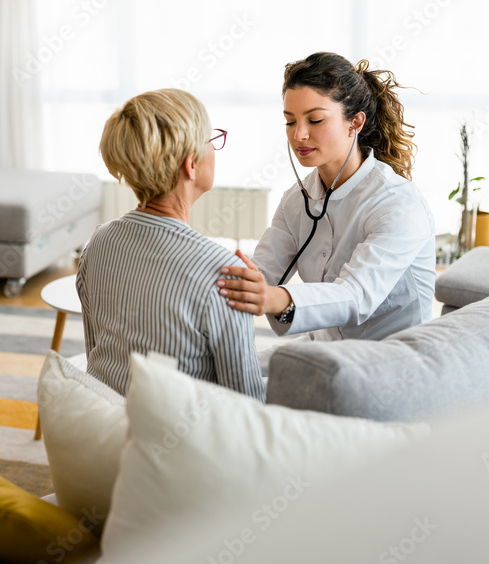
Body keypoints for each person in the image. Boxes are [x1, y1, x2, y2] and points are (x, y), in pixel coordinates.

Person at [216, 52, 436, 350]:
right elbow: (263, 271)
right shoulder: (297, 200)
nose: (299, 135)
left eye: (315, 119)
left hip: (392, 362)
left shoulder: (398, 204)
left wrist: (271, 297)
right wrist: (230, 281)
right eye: (290, 121)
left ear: (355, 123)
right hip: (327, 353)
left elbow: (355, 296)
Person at [77, 88, 265, 402]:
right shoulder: (224, 273)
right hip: (177, 442)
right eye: (211, 140)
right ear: (191, 164)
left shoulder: (98, 241)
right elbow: (246, 403)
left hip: (101, 426)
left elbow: (95, 349)